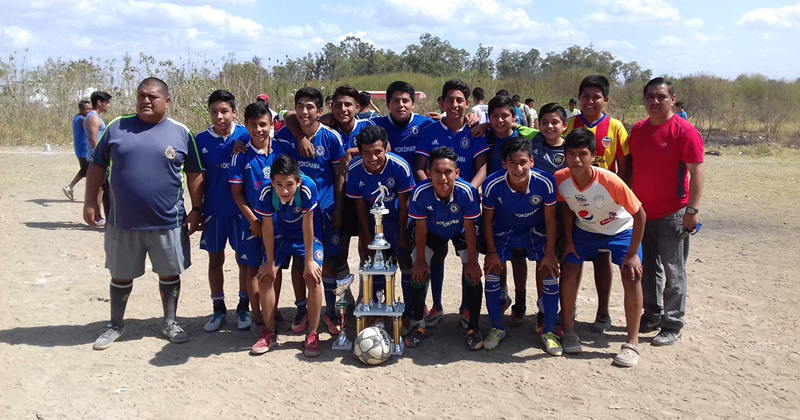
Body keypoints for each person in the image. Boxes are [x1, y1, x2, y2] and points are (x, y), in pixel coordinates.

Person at [85, 77, 203, 350]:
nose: (146, 100)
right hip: (123, 222)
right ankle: (115, 325)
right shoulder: (117, 127)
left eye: (153, 96)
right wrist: (90, 202)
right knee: (120, 275)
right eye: (141, 95)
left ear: (167, 102)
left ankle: (170, 321)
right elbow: (97, 165)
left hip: (168, 221)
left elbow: (195, 173)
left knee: (169, 273)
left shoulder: (181, 133)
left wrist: (197, 209)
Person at [556, 128, 646, 366]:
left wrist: (633, 254)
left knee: (632, 275)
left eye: (582, 154)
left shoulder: (610, 180)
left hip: (620, 230)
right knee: (569, 269)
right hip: (586, 230)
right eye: (571, 154)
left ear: (593, 156)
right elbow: (566, 207)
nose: (576, 160)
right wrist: (569, 240)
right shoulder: (561, 179)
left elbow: (640, 215)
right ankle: (568, 331)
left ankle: (632, 343)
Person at [629, 77, 704, 346]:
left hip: (673, 213)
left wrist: (691, 211)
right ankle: (652, 314)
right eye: (650, 96)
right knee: (647, 268)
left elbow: (697, 172)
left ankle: (673, 324)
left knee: (674, 271)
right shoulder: (638, 129)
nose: (655, 101)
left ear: (672, 99)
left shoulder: (684, 131)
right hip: (642, 214)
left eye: (661, 96)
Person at [413, 78, 488, 327]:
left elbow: (482, 168)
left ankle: (467, 309)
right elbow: (420, 167)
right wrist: (432, 190)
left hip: (464, 206)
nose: (455, 105)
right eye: (450, 100)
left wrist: (466, 192)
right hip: (434, 206)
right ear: (441, 103)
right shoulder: (430, 130)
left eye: (460, 100)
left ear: (467, 104)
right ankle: (435, 306)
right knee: (429, 257)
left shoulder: (475, 130)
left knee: (470, 259)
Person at [272, 87, 346, 336]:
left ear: (320, 110)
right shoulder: (284, 136)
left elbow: (339, 174)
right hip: (294, 212)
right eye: (300, 106)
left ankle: (330, 310)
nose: (304, 112)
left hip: (324, 210)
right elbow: (279, 172)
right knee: (299, 261)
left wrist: (339, 207)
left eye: (310, 107)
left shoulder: (331, 137)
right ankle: (301, 309)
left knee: (328, 262)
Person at [565, 75, 630, 334]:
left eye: (596, 97)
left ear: (606, 100)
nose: (590, 101)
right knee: (574, 256)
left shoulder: (615, 127)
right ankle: (569, 308)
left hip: (606, 204)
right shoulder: (569, 124)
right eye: (585, 96)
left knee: (603, 257)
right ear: (579, 98)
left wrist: (618, 200)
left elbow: (624, 168)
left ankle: (603, 312)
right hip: (575, 200)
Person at [481, 138, 559, 351]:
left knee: (550, 272)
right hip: (504, 233)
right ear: (504, 164)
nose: (518, 168)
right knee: (492, 272)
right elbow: (487, 220)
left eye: (523, 162)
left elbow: (551, 220)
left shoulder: (545, 182)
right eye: (512, 163)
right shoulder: (492, 183)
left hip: (536, 233)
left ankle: (548, 331)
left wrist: (550, 253)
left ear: (532, 161)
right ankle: (497, 327)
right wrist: (491, 252)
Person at [407, 146, 483, 349]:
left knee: (473, 273)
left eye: (448, 172)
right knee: (417, 271)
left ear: (457, 173)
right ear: (428, 173)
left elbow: (470, 229)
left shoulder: (467, 192)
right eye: (437, 172)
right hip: (432, 231)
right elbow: (420, 229)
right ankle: (419, 325)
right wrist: (421, 261)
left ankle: (473, 328)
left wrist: (472, 262)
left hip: (460, 230)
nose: (443, 178)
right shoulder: (420, 192)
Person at [253, 155, 325, 356]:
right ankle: (269, 333)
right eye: (279, 184)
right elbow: (267, 227)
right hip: (281, 235)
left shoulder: (308, 187)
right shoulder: (266, 192)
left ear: (298, 181)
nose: (284, 191)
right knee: (265, 277)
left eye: (289, 185)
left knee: (313, 277)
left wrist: (309, 261)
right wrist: (269, 262)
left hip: (307, 236)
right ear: (272, 182)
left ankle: (312, 334)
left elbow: (308, 225)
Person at [195, 90, 253, 332]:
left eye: (224, 111)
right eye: (214, 112)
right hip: (214, 209)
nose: (219, 116)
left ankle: (243, 307)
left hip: (242, 211)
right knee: (215, 259)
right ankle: (218, 308)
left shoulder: (246, 135)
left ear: (234, 113)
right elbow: (196, 177)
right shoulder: (200, 140)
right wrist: (197, 209)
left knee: (244, 260)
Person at [345, 125, 415, 323]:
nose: (373, 158)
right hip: (374, 222)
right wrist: (367, 236)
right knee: (375, 262)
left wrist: (403, 235)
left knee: (404, 259)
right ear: (360, 152)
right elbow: (359, 207)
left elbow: (404, 204)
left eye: (377, 152)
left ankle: (409, 310)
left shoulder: (400, 166)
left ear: (386, 148)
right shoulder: (354, 170)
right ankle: (376, 308)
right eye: (366, 153)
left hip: (398, 220)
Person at [371, 81, 436, 169]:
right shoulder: (375, 124)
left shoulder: (427, 124)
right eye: (395, 101)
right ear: (388, 105)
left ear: (413, 104)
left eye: (405, 101)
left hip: (419, 177)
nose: (401, 105)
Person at [84, 91, 112, 225]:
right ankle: (97, 216)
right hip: (97, 160)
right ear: (99, 103)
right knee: (98, 189)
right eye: (107, 102)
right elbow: (93, 141)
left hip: (99, 158)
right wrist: (102, 160)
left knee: (101, 188)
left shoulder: (96, 117)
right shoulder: (93, 118)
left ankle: (98, 215)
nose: (109, 105)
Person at [62, 100, 92, 200]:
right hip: (84, 152)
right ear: (81, 110)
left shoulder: (78, 118)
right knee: (93, 174)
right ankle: (92, 197)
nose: (90, 111)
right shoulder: (82, 119)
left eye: (91, 109)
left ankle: (69, 187)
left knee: (84, 171)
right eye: (87, 109)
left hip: (81, 151)